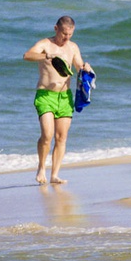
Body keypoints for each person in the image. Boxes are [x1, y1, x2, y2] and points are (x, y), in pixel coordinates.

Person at [23, 15, 93, 186]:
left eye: (70, 34)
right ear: (56, 29)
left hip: (64, 97)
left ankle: (54, 175)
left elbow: (78, 66)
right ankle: (41, 168)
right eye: (63, 34)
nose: (66, 38)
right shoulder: (45, 44)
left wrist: (86, 67)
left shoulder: (73, 47)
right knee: (47, 135)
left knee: (61, 137)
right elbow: (27, 55)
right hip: (45, 95)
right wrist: (46, 56)